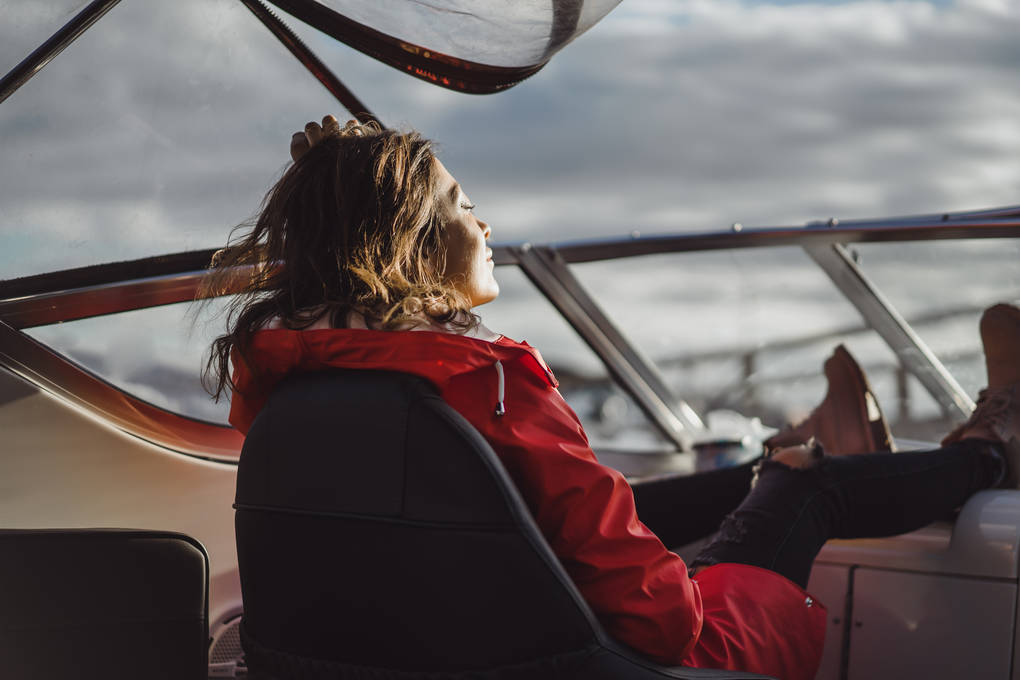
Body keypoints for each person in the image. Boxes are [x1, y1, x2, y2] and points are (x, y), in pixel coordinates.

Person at [204, 116, 1018, 680]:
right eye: (465, 208)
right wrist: (711, 558)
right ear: (410, 241)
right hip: (605, 661)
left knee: (689, 491)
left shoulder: (290, 385)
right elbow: (664, 621)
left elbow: (542, 521)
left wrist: (340, 182)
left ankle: (781, 462)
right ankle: (992, 447)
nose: (485, 230)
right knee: (813, 487)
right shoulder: (481, 383)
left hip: (433, 651)